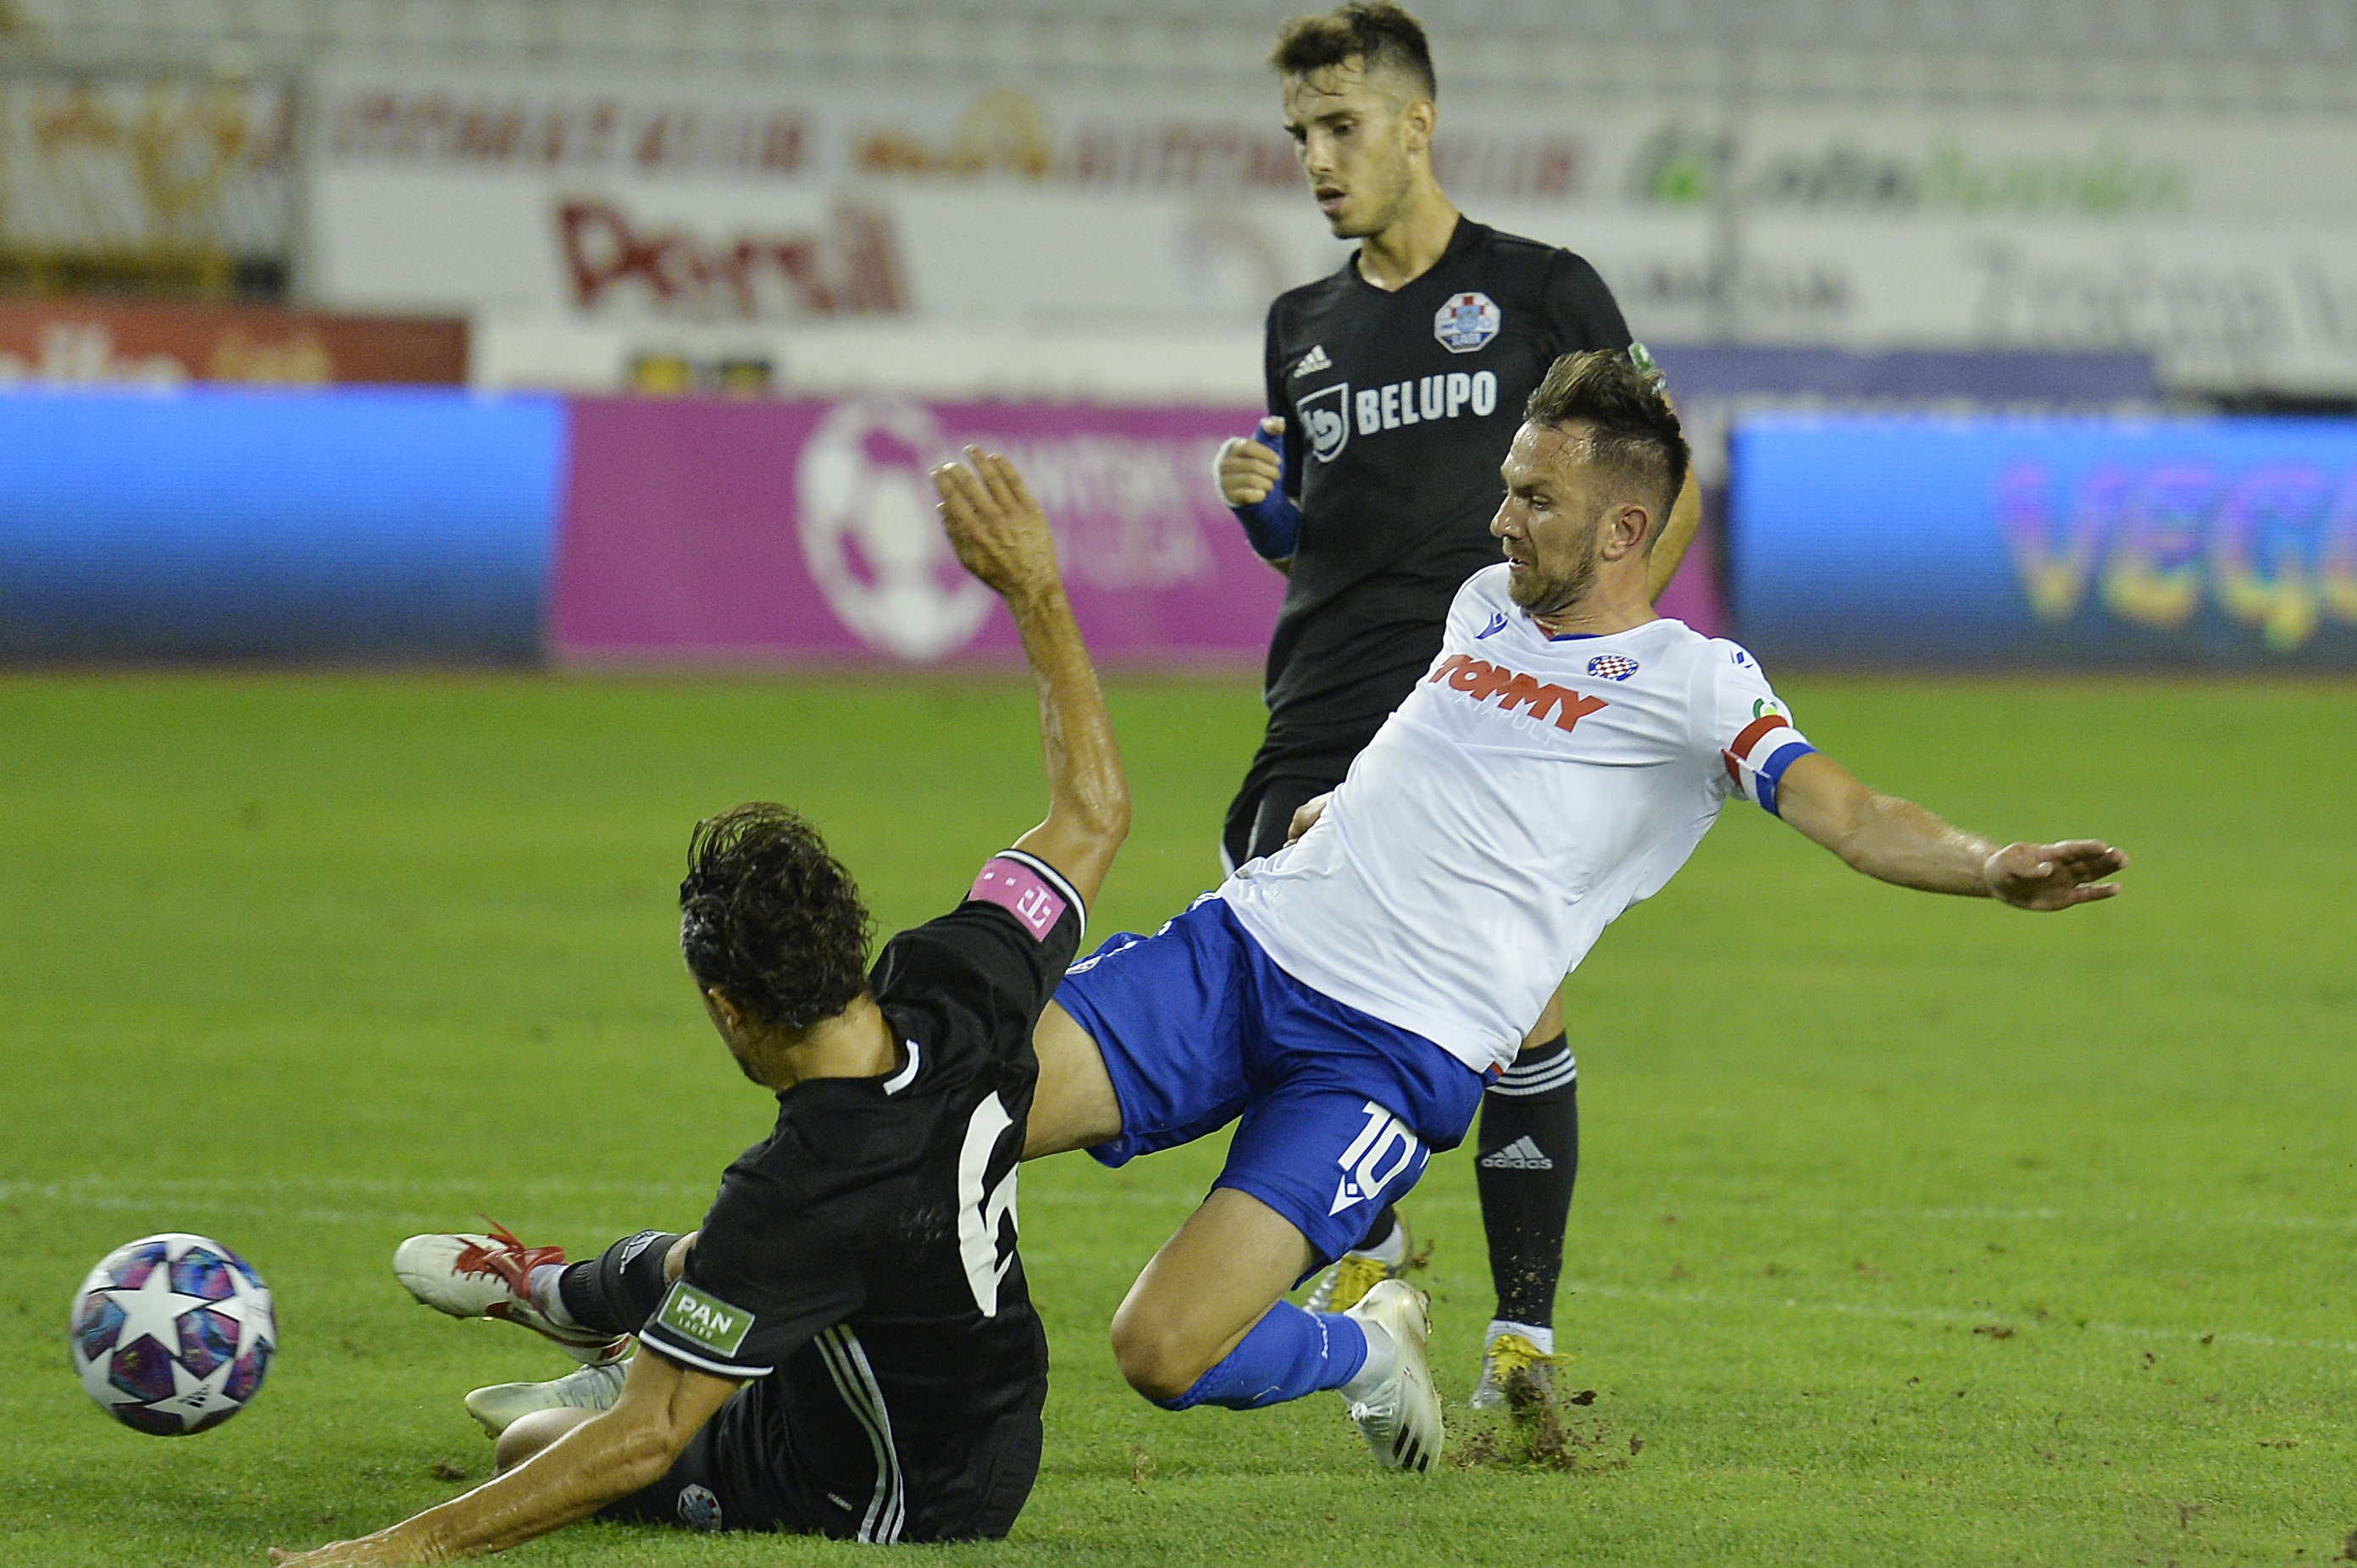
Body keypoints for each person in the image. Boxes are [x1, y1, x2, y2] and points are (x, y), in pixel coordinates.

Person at [1019, 348, 2126, 1471]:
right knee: (964, 1103)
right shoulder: (1481, 607)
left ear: (1621, 531)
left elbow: (1852, 814)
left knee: (1159, 1349)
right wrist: (1338, 813)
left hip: (1387, 1053)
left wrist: (1987, 864)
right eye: (1507, 486)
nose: (1500, 519)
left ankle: (1361, 1352)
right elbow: (1445, 759)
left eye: (1534, 498)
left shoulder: (1692, 680)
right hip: (1242, 949)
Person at [265, 450, 1129, 1563]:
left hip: (900, 1493)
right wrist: (1035, 590)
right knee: (725, 1269)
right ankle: (566, 1294)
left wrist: (379, 1553)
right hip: (962, 1398)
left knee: (530, 1446)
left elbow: (640, 1444)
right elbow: (1089, 816)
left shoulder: (800, 1190)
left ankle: (614, 1332)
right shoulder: (961, 980)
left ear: (728, 1007)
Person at [1212, 0, 1706, 1407]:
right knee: (1303, 1010)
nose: (1317, 157)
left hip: (1484, 712)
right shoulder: (1296, 327)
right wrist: (1270, 518)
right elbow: (1325, 536)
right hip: (1318, 705)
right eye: (1299, 134)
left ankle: (1520, 1346)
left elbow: (1668, 477)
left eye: (1341, 127)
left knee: (1519, 1009)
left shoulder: (1546, 288)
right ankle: (1374, 1312)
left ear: (1417, 123)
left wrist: (1607, 649)